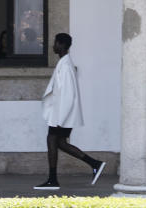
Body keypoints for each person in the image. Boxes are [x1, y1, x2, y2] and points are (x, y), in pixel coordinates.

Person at [34, 33, 105, 190]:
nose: (53, 46)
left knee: (52, 140)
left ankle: (53, 180)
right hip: (61, 114)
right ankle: (95, 164)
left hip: (61, 115)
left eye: (55, 43)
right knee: (59, 142)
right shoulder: (64, 63)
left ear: (61, 44)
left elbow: (69, 95)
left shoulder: (65, 66)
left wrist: (61, 120)